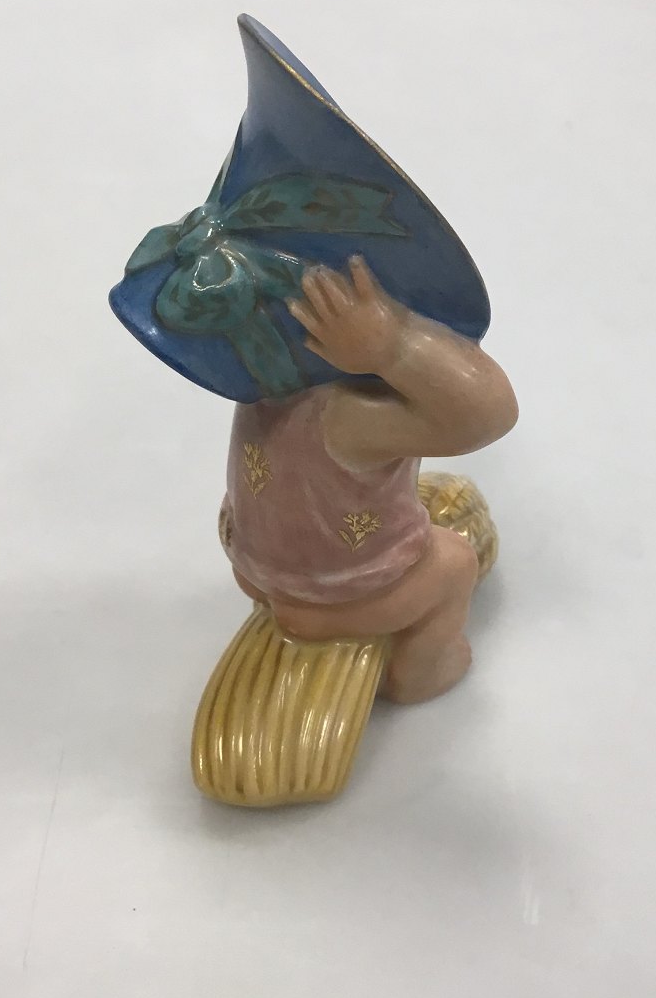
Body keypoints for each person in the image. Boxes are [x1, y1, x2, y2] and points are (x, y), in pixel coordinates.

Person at [222, 254, 518, 703]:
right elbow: (489, 416)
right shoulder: (348, 415)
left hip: (251, 568)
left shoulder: (261, 385)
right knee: (456, 564)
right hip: (342, 601)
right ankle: (421, 674)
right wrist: (395, 346)